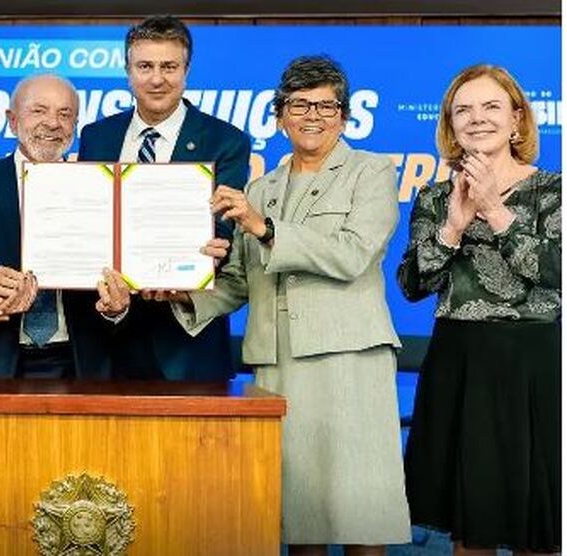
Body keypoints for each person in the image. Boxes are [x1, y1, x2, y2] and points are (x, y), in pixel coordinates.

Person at [170, 56, 410, 553]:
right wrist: (178, 292)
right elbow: (237, 280)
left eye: (326, 105)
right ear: (279, 116)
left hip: (349, 361)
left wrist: (265, 227)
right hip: (276, 365)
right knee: (297, 520)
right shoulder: (262, 188)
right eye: (299, 104)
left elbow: (352, 254)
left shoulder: (372, 172)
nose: (313, 116)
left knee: (362, 514)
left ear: (344, 116)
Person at [398, 64, 561, 554]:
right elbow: (412, 285)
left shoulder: (554, 190)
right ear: (451, 124)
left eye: (491, 107)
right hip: (458, 363)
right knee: (471, 524)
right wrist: (451, 229)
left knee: (539, 522)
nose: (477, 118)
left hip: (532, 363)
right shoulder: (433, 197)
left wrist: (495, 210)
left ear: (516, 120)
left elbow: (557, 272)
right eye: (463, 109)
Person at [76, 15, 250, 381]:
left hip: (187, 342)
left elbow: (223, 227)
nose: (157, 78)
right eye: (145, 66)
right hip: (108, 336)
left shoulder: (226, 141)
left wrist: (205, 252)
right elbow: (87, 219)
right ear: (128, 71)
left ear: (186, 71)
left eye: (169, 66)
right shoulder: (97, 136)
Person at [0, 73, 127, 378]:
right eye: (39, 110)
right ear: (12, 120)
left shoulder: (99, 184)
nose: (53, 123)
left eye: (65, 114)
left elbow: (118, 269)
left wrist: (118, 306)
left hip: (84, 363)